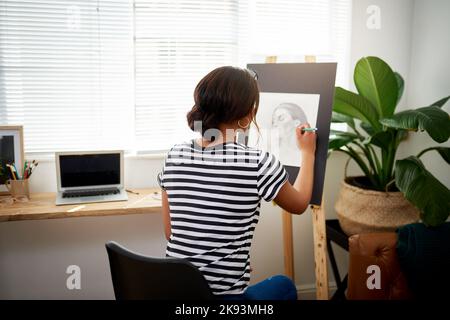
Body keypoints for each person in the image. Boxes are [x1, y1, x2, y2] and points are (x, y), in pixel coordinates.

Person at [158, 66, 316, 300]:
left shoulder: (174, 155)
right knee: (284, 286)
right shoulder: (257, 162)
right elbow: (300, 203)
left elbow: (171, 233)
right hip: (223, 299)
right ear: (247, 117)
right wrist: (308, 153)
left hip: (176, 291)